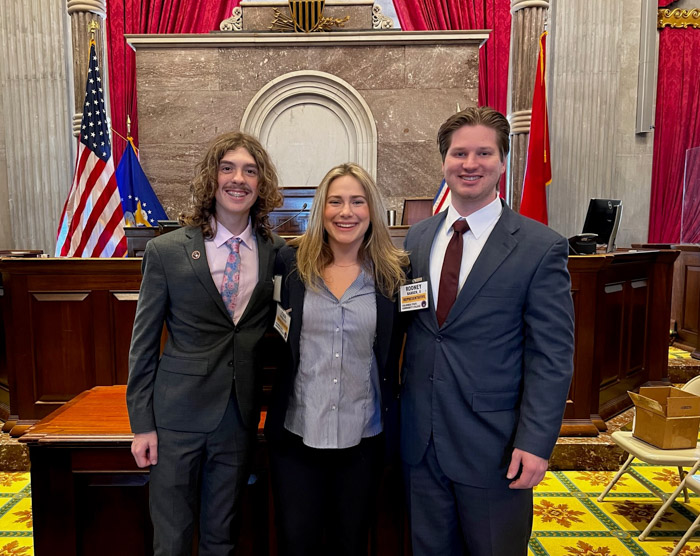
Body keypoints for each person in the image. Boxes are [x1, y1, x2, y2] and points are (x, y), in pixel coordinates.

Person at [401, 107, 575, 556]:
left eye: (483, 152)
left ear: (502, 162)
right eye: (459, 153)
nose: (470, 163)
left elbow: (551, 357)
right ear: (444, 162)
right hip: (421, 443)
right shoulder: (418, 238)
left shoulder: (540, 247)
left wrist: (536, 444)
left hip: (496, 449)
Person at [126, 131, 285, 556]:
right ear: (211, 179)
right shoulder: (167, 252)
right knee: (173, 539)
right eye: (228, 168)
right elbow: (142, 346)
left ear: (261, 183)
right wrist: (142, 423)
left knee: (222, 538)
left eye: (250, 171)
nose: (239, 179)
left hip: (237, 418)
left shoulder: (276, 252)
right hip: (176, 418)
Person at [265, 162, 409, 556]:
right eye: (336, 201)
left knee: (351, 542)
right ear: (321, 209)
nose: (346, 212)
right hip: (298, 434)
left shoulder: (395, 275)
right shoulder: (291, 267)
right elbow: (274, 337)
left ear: (371, 210)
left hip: (363, 437)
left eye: (357, 201)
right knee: (297, 543)